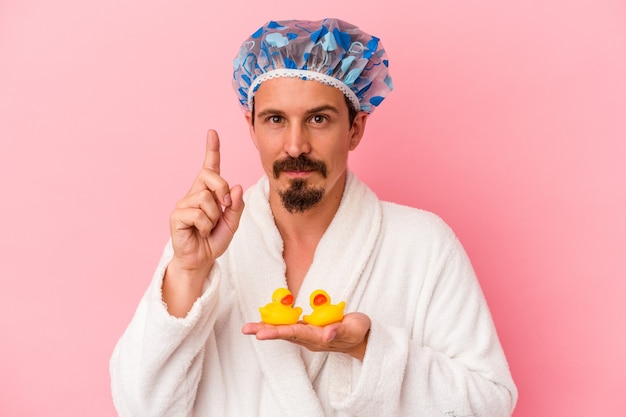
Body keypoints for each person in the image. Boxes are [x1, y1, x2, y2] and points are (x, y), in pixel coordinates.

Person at [110, 18, 517, 417]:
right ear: (251, 128)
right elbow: (139, 408)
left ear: (355, 129)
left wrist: (368, 350)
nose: (295, 145)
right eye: (275, 120)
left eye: (318, 119)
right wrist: (186, 272)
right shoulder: (202, 247)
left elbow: (490, 403)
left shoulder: (423, 245)